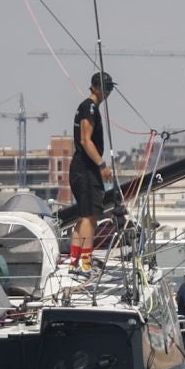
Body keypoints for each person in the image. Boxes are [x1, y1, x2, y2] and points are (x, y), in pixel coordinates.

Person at [67, 71, 114, 270]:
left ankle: (75, 260)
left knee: (86, 215)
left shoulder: (89, 107)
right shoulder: (89, 107)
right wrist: (101, 165)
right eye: (105, 88)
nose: (108, 92)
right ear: (95, 87)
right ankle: (85, 262)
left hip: (84, 168)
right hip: (85, 169)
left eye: (110, 88)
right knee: (89, 216)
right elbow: (86, 140)